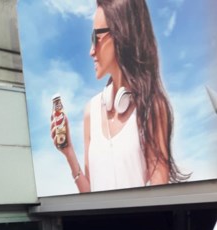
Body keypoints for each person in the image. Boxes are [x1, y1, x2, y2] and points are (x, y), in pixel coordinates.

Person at [51, 0, 189, 192]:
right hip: (98, 222)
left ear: (121, 35)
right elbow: (89, 195)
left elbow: (160, 198)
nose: (91, 51)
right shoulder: (91, 111)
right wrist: (68, 152)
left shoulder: (152, 107)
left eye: (96, 38)